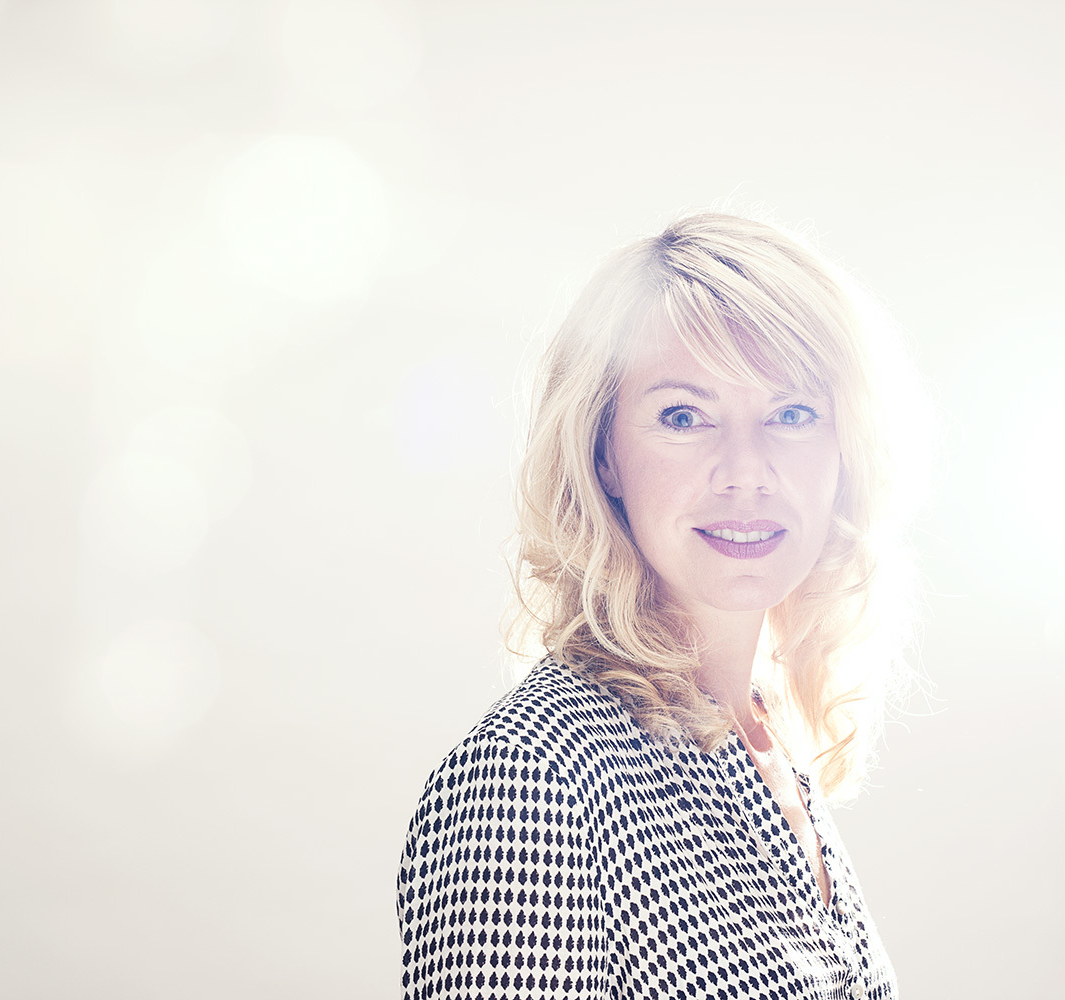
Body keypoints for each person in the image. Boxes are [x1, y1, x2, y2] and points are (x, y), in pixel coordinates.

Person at [397, 211, 929, 999]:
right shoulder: (528, 783)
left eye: (792, 413)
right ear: (602, 452)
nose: (746, 471)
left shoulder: (767, 743)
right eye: (684, 416)